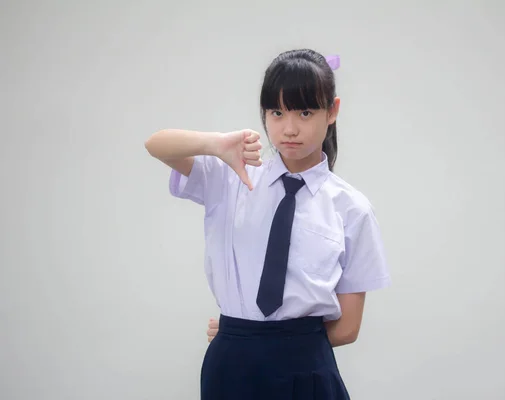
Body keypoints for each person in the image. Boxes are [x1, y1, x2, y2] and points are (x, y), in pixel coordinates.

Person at [145, 48, 391, 399]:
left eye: (305, 112)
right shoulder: (231, 177)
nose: (289, 128)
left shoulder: (352, 209)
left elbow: (348, 328)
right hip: (231, 366)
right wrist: (216, 145)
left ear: (332, 111)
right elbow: (157, 144)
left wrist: (268, 341)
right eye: (277, 112)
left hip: (306, 367)